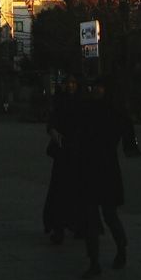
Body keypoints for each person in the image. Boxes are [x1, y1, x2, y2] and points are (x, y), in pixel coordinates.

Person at [75, 77, 129, 279]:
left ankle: (121, 247)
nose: (96, 90)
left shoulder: (113, 111)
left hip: (106, 168)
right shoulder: (87, 109)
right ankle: (94, 261)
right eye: (95, 87)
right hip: (89, 167)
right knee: (90, 217)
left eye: (100, 87)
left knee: (109, 214)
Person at [42, 75, 81, 245]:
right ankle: (58, 227)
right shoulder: (60, 102)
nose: (71, 86)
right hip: (63, 150)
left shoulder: (81, 103)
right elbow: (51, 122)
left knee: (77, 190)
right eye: (68, 83)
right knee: (59, 189)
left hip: (78, 152)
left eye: (73, 83)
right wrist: (53, 131)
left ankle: (77, 225)